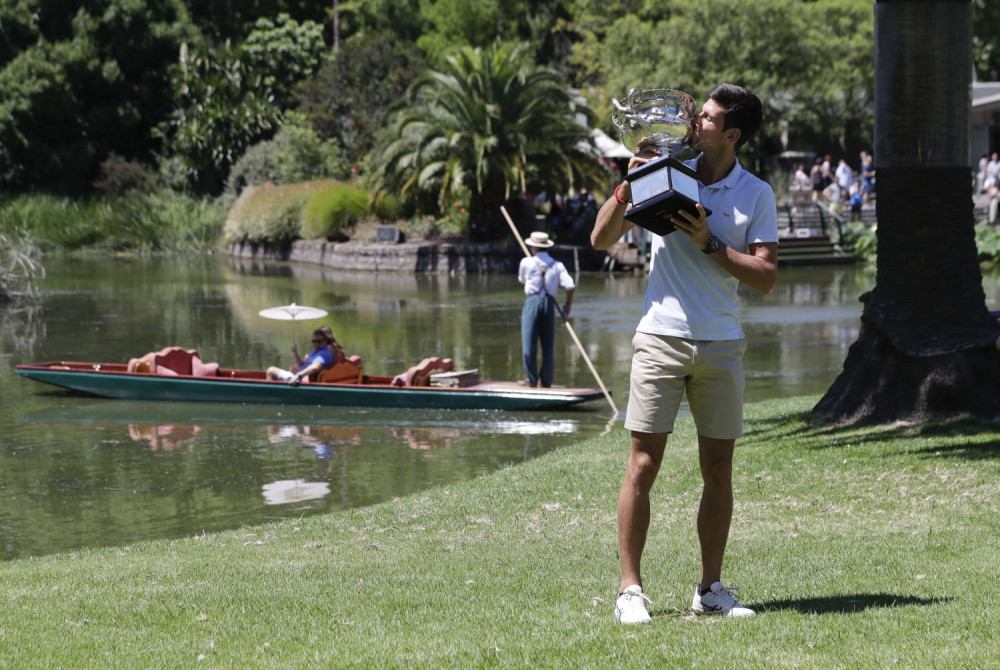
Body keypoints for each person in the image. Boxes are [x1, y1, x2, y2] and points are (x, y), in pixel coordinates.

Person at [592, 83, 778, 624]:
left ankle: (711, 589)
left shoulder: (756, 193)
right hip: (660, 337)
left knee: (718, 468)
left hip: (721, 344)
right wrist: (626, 188)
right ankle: (631, 591)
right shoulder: (661, 169)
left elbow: (766, 278)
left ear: (733, 133)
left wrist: (710, 242)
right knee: (643, 463)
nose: (695, 122)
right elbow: (601, 240)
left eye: (709, 119)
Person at [517, 231, 575, 388]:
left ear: (533, 247)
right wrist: (567, 304)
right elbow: (570, 285)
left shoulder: (526, 262)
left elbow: (522, 280)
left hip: (532, 302)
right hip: (549, 304)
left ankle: (531, 379)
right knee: (548, 345)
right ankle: (546, 380)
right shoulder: (557, 265)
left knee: (529, 344)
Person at [266, 327, 336, 384]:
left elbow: (314, 367)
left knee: (271, 370)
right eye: (313, 341)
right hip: (300, 377)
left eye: (318, 341)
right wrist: (295, 353)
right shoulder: (316, 351)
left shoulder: (323, 353)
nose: (316, 343)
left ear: (326, 340)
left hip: (301, 381)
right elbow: (301, 365)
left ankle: (270, 397)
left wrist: (298, 376)